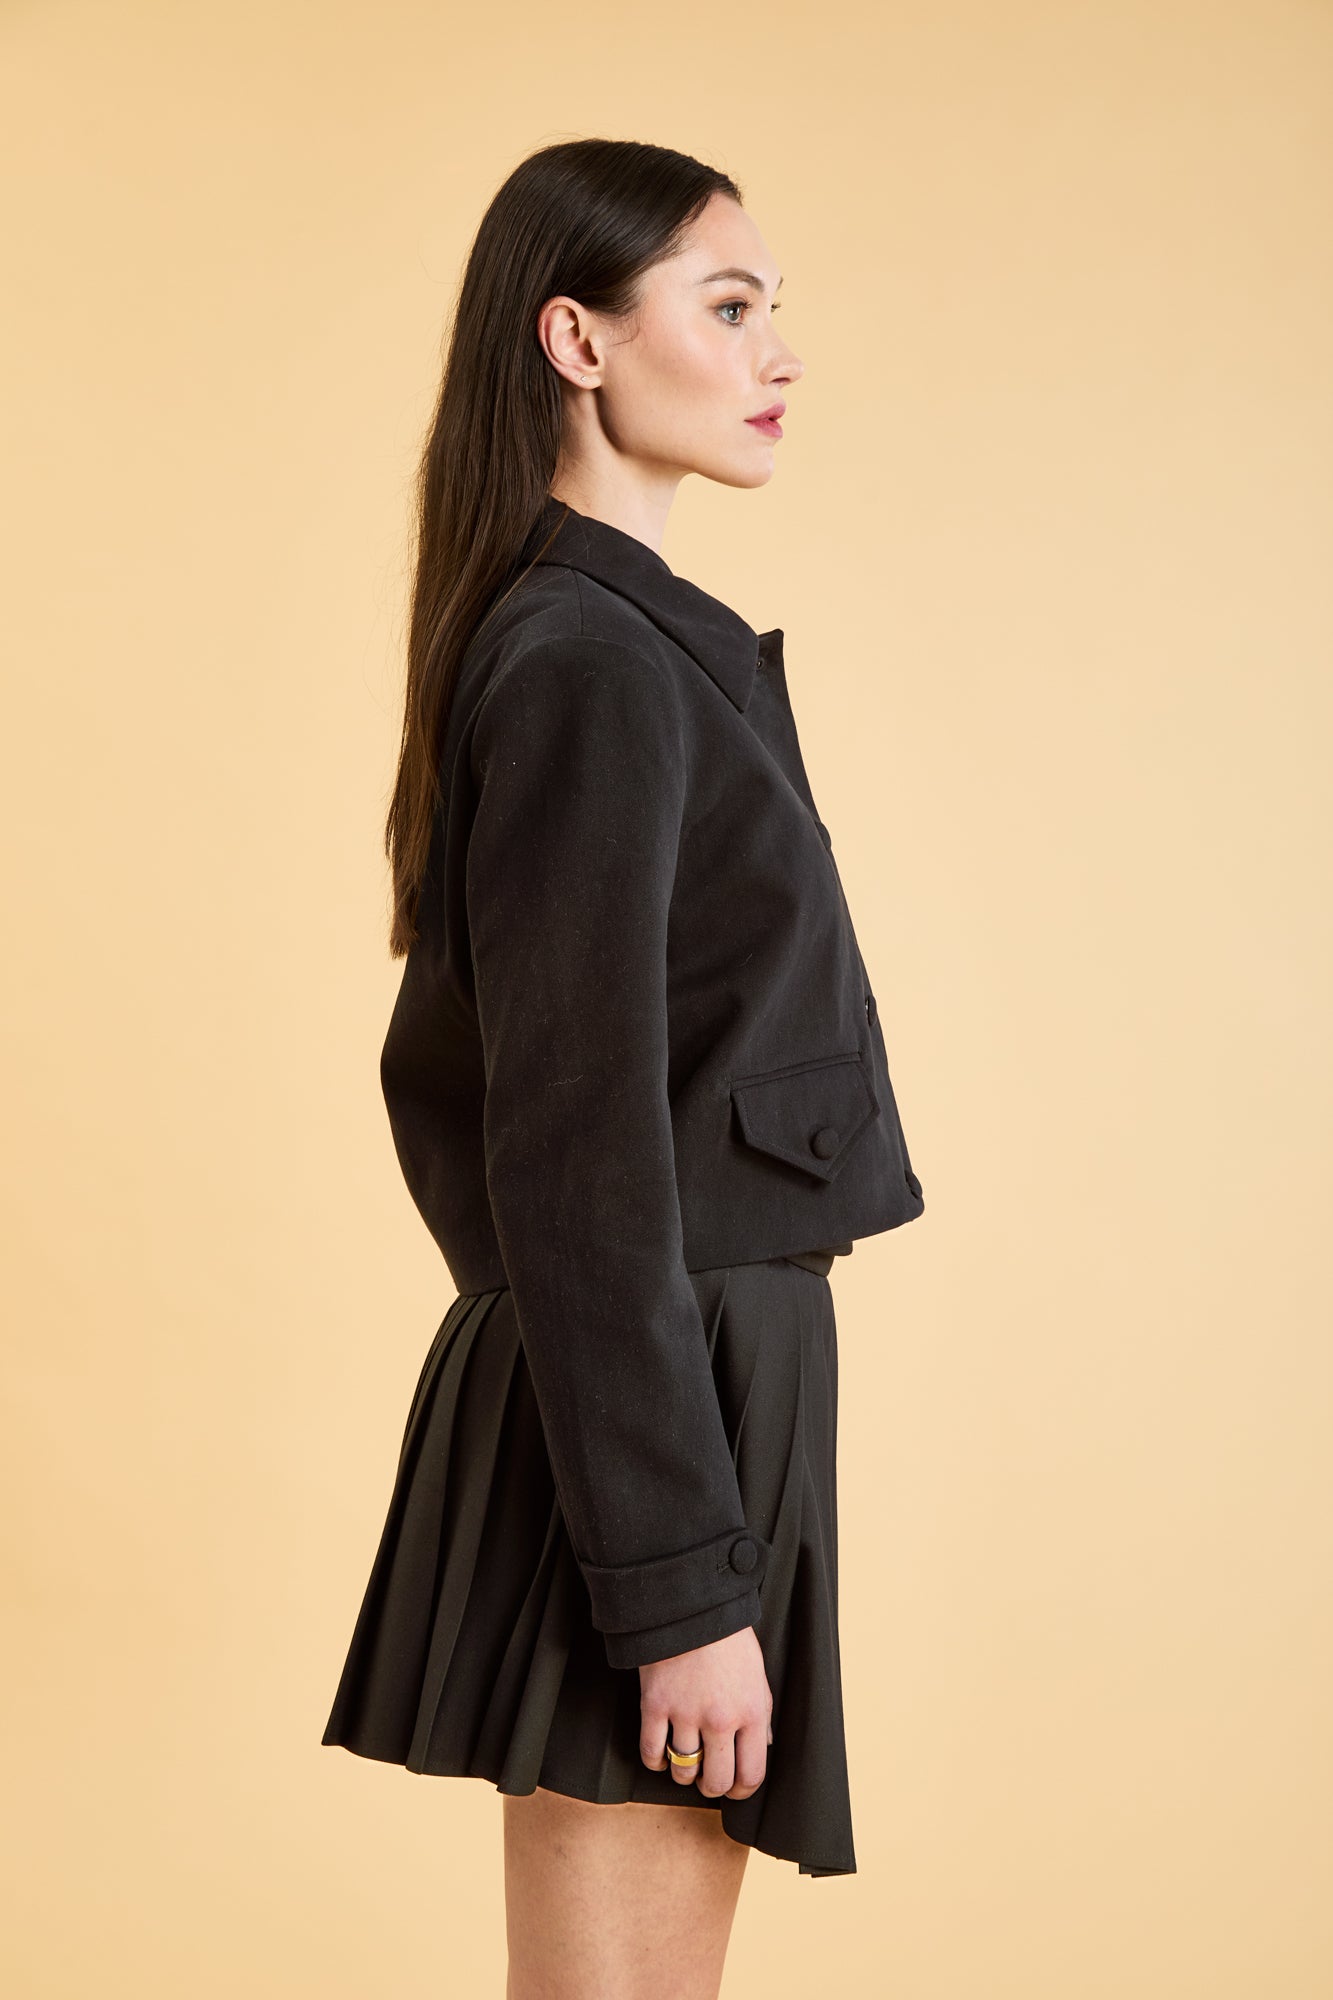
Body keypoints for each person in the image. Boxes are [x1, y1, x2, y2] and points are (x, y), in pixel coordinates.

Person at [320, 136, 925, 1999]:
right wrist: (675, 1590)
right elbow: (570, 1152)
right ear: (575, 340)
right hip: (659, 1394)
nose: (776, 354)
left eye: (772, 311)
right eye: (727, 307)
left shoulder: (624, 647)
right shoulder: (588, 661)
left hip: (690, 1375)